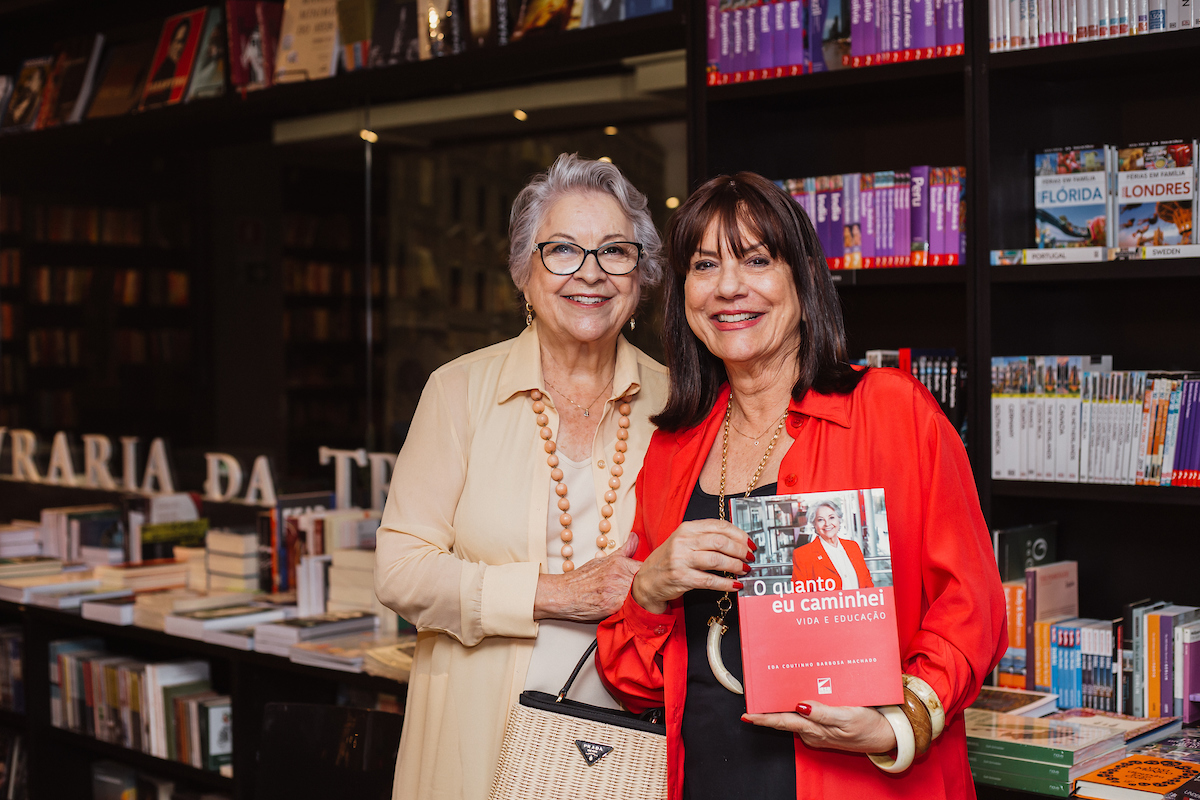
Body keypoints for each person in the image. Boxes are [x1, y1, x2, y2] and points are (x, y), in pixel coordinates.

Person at [597, 172, 1006, 799]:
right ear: (684, 293)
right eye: (704, 266)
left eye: (756, 259)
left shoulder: (893, 412)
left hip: (862, 783)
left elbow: (971, 607)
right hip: (708, 778)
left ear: (803, 279)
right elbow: (640, 684)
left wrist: (896, 722)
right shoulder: (672, 452)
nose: (728, 287)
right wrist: (648, 593)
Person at [375, 153, 669, 800]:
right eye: (562, 250)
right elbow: (398, 570)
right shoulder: (457, 392)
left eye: (614, 252)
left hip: (629, 746)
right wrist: (558, 594)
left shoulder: (680, 404)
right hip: (476, 740)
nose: (589, 274)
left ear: (641, 275)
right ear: (522, 272)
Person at [790, 499, 873, 590]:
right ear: (814, 524)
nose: (827, 524)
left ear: (839, 520)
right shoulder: (803, 555)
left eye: (831, 517)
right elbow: (800, 595)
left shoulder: (853, 546)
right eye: (821, 519)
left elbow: (866, 581)